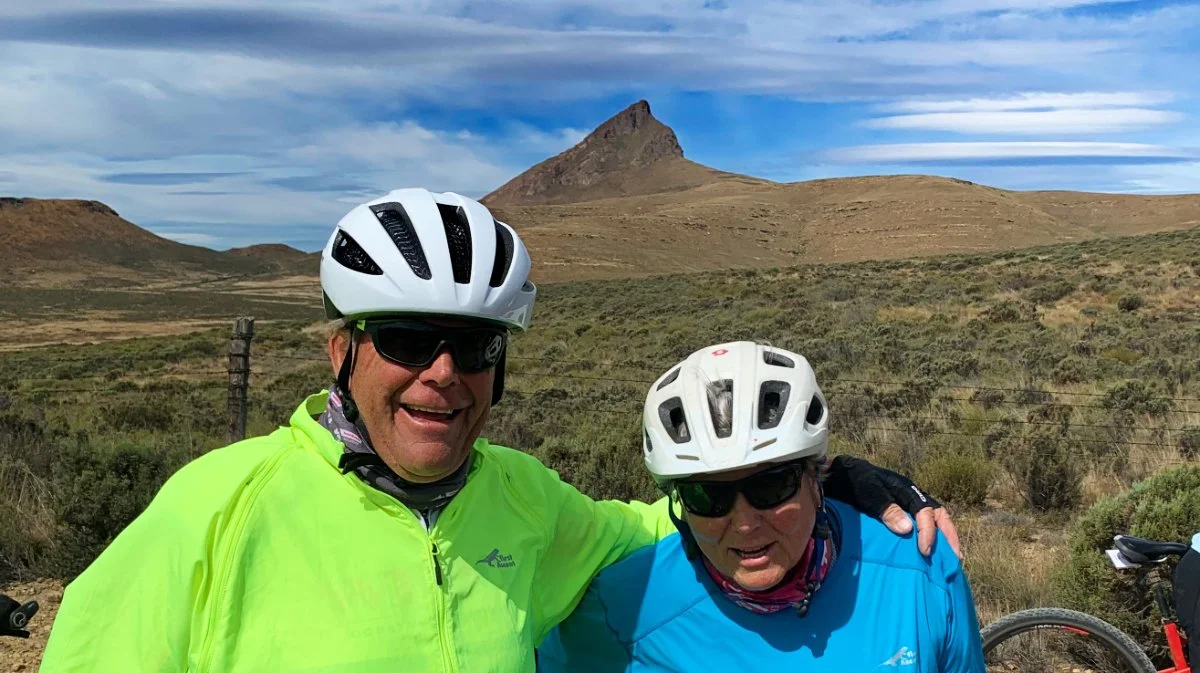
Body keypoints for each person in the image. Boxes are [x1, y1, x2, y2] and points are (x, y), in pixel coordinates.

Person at [39, 189, 959, 672]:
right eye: (405, 338)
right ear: (339, 351)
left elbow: (672, 525)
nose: (442, 372)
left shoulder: (522, 497)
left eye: (474, 346)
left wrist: (833, 484)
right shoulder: (214, 509)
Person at [538, 341, 984, 672]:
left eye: (772, 486)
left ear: (817, 475)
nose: (745, 524)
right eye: (706, 497)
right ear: (678, 504)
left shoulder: (921, 572)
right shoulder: (621, 608)